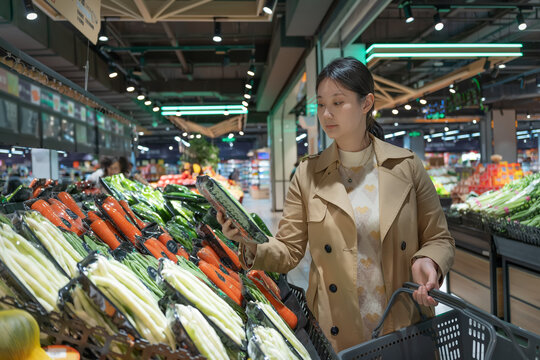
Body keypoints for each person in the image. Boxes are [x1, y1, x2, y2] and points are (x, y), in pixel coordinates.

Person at [218, 57, 455, 352]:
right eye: (321, 104)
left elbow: (438, 237)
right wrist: (249, 241)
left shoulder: (406, 167)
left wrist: (428, 260)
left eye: (338, 102)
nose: (326, 113)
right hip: (337, 328)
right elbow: (289, 251)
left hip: (403, 323)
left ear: (366, 103)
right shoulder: (307, 174)